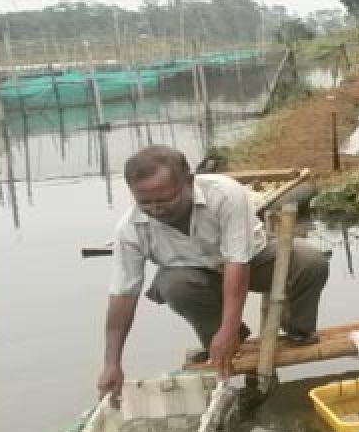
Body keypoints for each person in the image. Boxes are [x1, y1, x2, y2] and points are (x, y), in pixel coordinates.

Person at [97, 146, 330, 397]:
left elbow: (236, 263)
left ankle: (295, 329)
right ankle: (223, 340)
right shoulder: (130, 230)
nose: (156, 209)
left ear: (189, 181)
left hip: (252, 260)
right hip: (196, 279)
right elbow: (122, 295)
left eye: (165, 199)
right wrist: (112, 363)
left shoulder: (224, 194)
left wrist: (227, 329)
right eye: (145, 202)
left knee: (310, 262)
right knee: (175, 285)